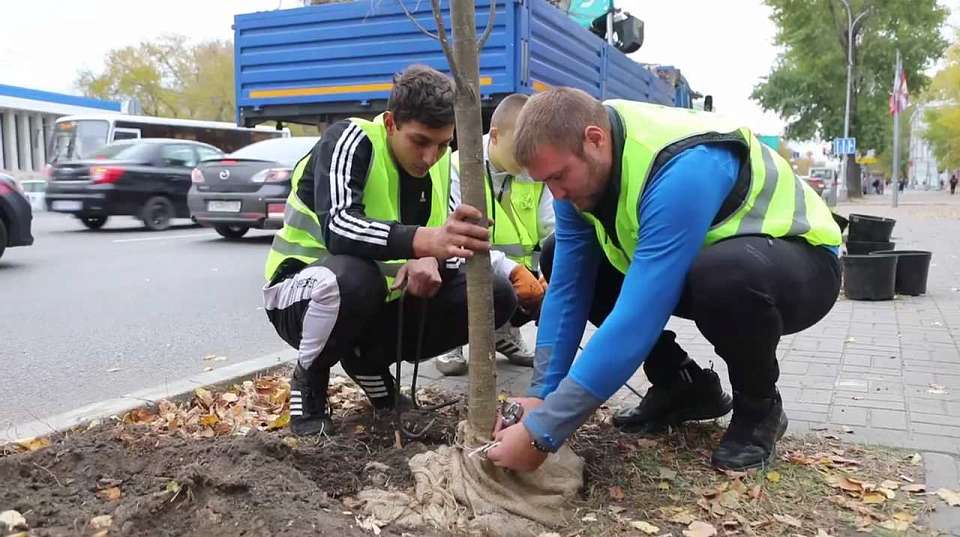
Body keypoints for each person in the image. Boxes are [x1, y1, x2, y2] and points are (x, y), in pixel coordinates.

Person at [485, 88, 842, 472]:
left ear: (594, 139)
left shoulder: (680, 169)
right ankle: (683, 387)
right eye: (545, 183)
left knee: (724, 277)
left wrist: (543, 432)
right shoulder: (583, 155)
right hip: (702, 265)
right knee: (560, 253)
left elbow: (639, 319)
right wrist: (541, 394)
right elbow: (569, 290)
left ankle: (760, 409)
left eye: (559, 176)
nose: (556, 194)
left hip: (800, 263)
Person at [262, 65, 516, 436]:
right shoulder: (351, 138)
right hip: (300, 295)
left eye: (443, 144)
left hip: (375, 301)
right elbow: (338, 227)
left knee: (494, 294)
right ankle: (310, 380)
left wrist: (428, 258)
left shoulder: (439, 166)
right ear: (391, 123)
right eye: (420, 141)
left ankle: (368, 362)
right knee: (355, 277)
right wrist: (425, 243)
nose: (431, 156)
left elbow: (433, 235)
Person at [436, 94, 555, 375]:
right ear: (496, 136)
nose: (528, 162)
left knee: (552, 286)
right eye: (520, 150)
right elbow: (455, 243)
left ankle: (503, 333)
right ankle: (451, 340)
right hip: (467, 267)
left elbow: (554, 228)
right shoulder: (457, 168)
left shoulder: (536, 173)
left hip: (518, 274)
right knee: (458, 271)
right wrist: (512, 269)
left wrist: (552, 272)